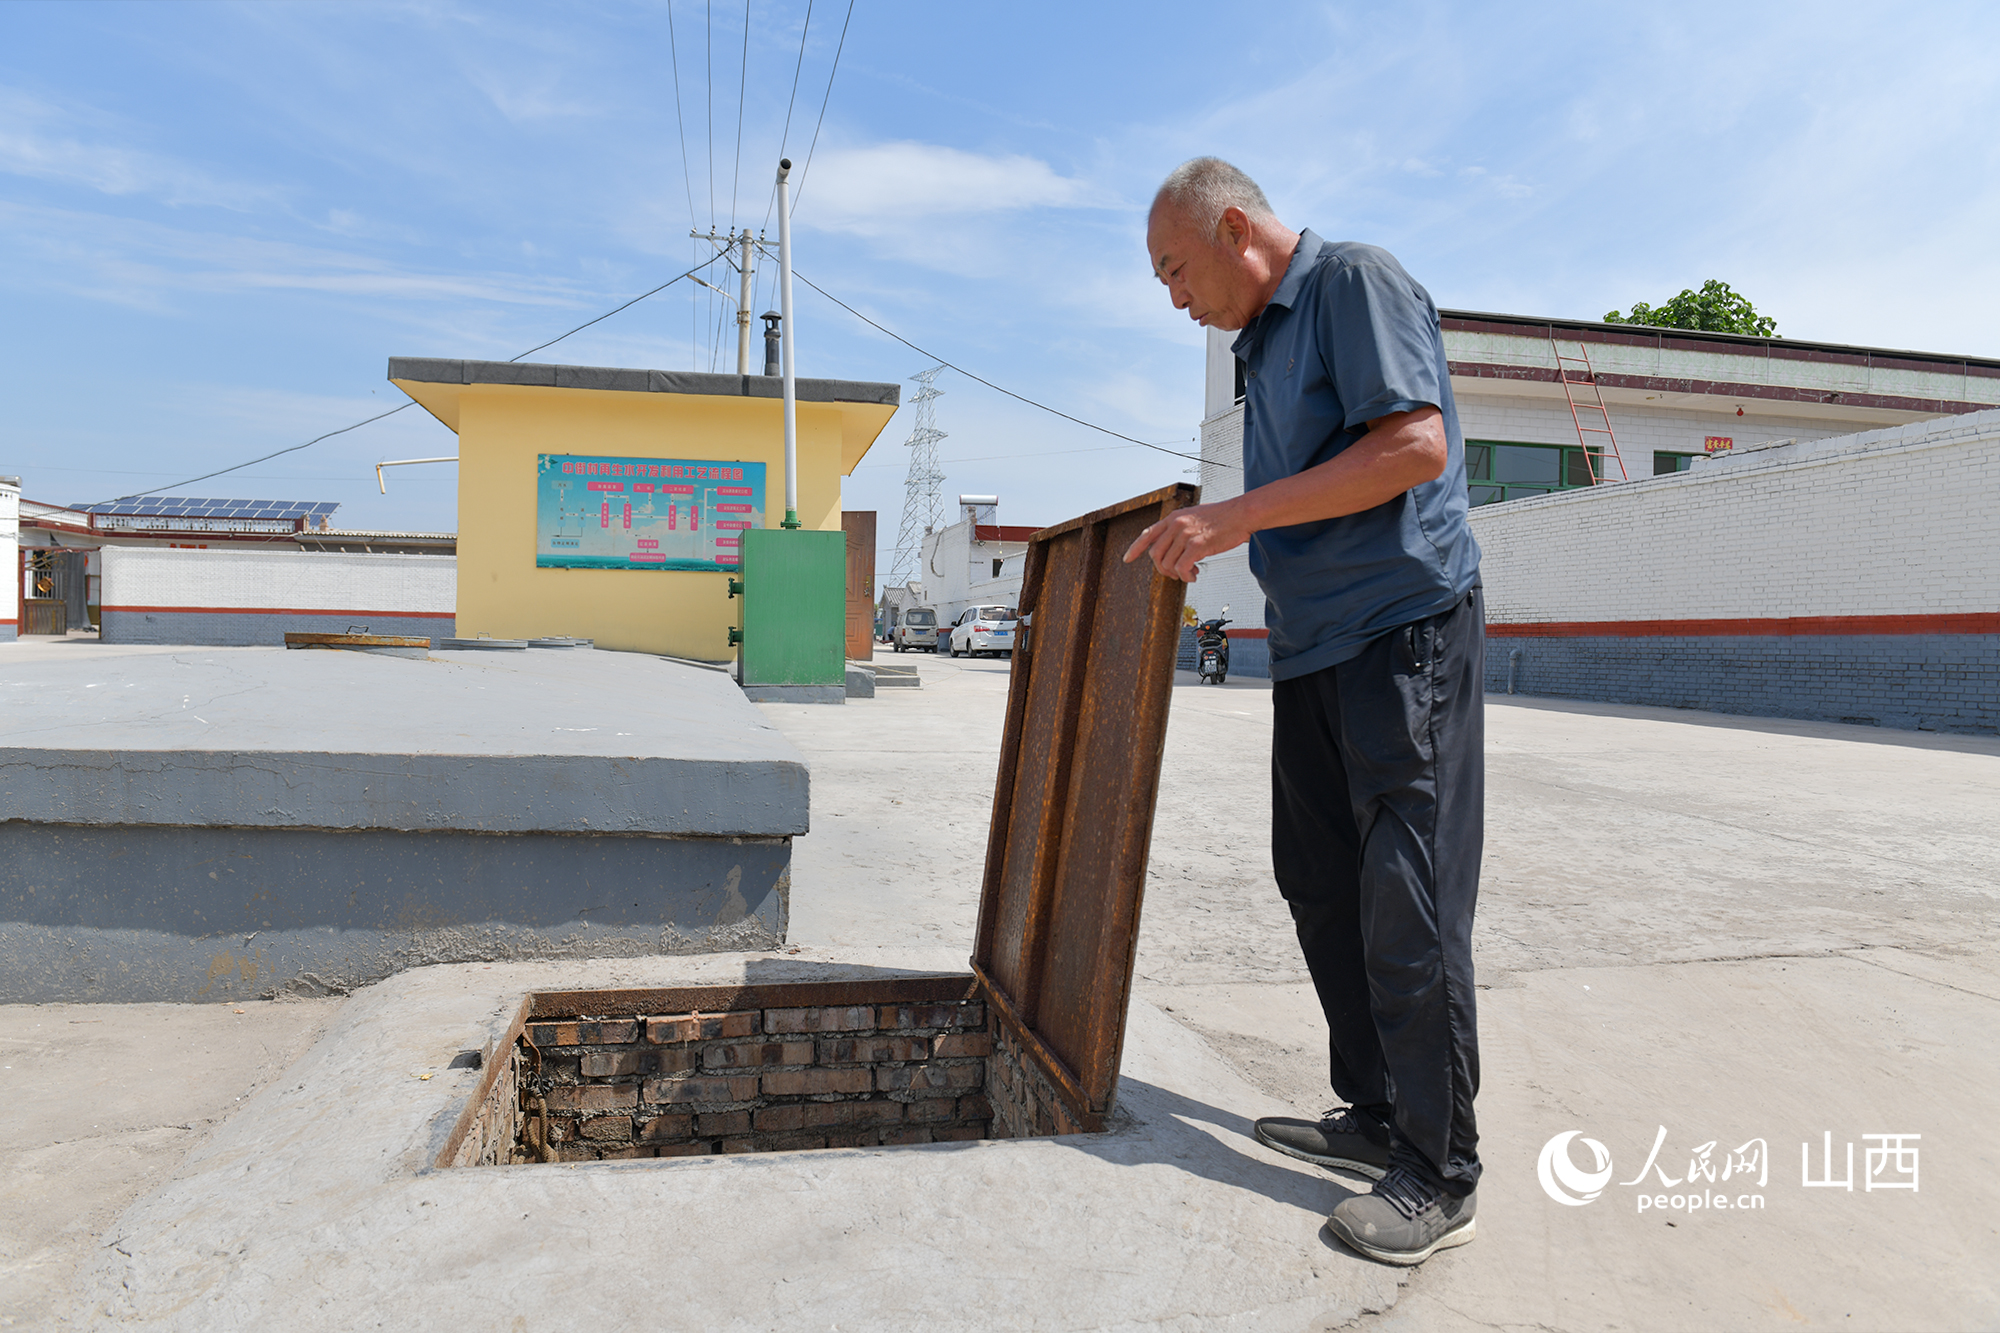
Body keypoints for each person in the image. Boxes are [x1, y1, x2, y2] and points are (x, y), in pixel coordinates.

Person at [1125, 157, 1484, 1266]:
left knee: (1403, 897)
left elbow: (1412, 444)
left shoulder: (1351, 284)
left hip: (1403, 630)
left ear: (1235, 228)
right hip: (1316, 648)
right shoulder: (1261, 341)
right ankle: (1374, 1110)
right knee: (1319, 882)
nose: (1173, 298)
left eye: (1176, 270)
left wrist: (1234, 519)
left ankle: (1439, 1165)